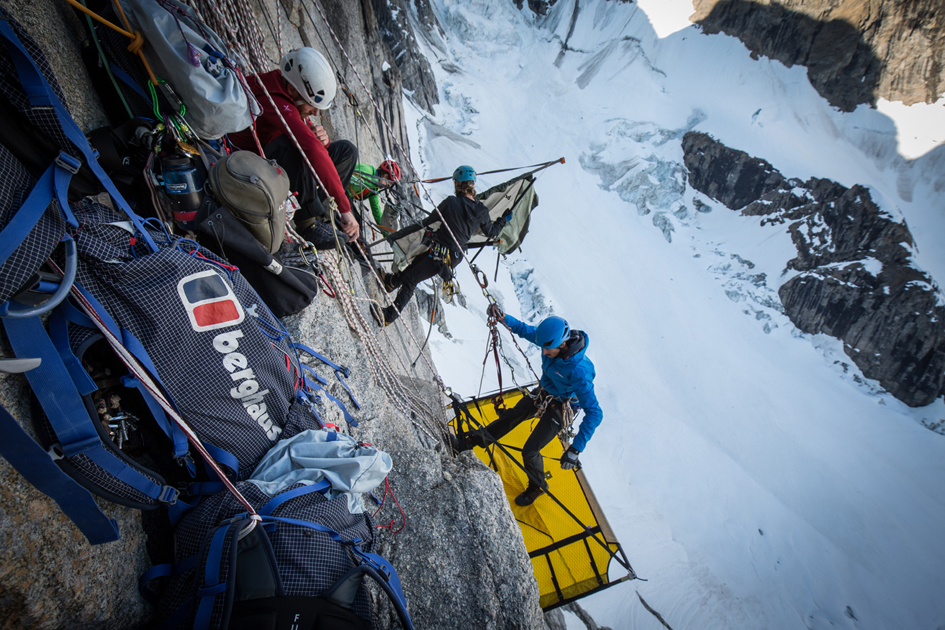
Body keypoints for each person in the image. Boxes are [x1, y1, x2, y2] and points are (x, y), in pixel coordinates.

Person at [461, 308, 603, 507]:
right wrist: (503, 318)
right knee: (511, 417)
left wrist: (575, 450)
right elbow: (525, 330)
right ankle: (473, 441)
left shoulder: (579, 371)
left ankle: (538, 486)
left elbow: (595, 413)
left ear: (563, 345)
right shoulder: (550, 340)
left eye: (548, 350)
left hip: (563, 407)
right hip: (545, 391)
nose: (543, 353)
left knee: (530, 450)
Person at [229, 47, 359, 249]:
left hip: (269, 157)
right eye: (312, 105)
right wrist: (345, 208)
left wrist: (322, 141)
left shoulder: (285, 93)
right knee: (299, 145)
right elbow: (309, 148)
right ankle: (307, 224)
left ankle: (326, 215)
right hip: (248, 162)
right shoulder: (273, 99)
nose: (315, 112)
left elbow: (313, 143)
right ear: (292, 90)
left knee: (346, 151)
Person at [371, 165, 509, 326]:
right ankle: (391, 282)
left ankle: (389, 316)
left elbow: (431, 220)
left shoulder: (451, 203)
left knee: (411, 279)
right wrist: (504, 219)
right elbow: (491, 232)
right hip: (451, 256)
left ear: (458, 184)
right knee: (414, 267)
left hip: (439, 252)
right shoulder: (482, 211)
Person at [348, 160, 402, 226]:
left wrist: (386, 230)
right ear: (385, 176)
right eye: (389, 183)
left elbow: (377, 211)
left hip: (344, 194)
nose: (387, 187)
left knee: (357, 222)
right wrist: (375, 183)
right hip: (337, 188)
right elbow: (352, 178)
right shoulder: (368, 170)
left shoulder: (374, 189)